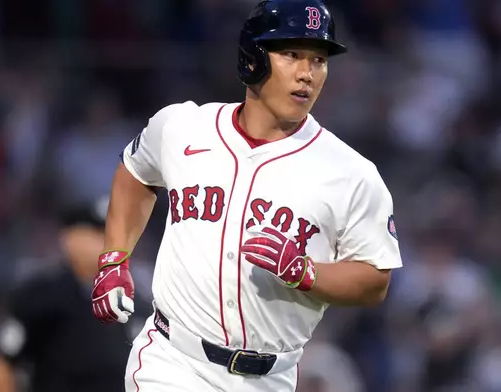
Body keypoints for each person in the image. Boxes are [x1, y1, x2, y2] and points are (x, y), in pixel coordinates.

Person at [91, 0, 403, 391]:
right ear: (251, 58)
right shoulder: (183, 127)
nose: (308, 74)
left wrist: (307, 273)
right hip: (172, 361)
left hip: (271, 377)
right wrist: (114, 257)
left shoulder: (352, 174)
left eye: (319, 60)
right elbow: (135, 172)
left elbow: (375, 279)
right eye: (292, 54)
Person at [0, 197, 143, 392]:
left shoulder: (137, 299)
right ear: (69, 239)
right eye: (97, 233)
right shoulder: (40, 296)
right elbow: (3, 363)